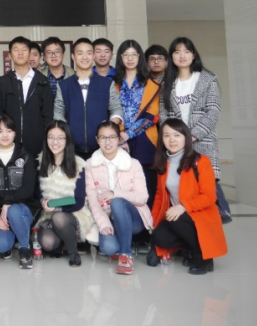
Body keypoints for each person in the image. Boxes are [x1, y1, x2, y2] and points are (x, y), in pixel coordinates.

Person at [148, 118, 228, 275]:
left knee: (175, 219)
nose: (172, 140)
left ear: (186, 137)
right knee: (159, 236)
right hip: (179, 216)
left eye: (177, 135)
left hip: (200, 214)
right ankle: (190, 248)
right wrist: (153, 221)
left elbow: (209, 196)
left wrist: (183, 206)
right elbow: (160, 196)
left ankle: (204, 257)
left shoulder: (201, 161)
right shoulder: (164, 163)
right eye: (166, 135)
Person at [85, 121, 153, 275]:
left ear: (119, 139)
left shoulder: (133, 164)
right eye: (103, 138)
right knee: (108, 248)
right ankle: (119, 242)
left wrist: (116, 193)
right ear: (97, 140)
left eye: (112, 137)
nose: (107, 142)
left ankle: (125, 254)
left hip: (133, 218)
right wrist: (103, 224)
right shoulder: (90, 165)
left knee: (117, 202)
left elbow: (143, 197)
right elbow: (92, 201)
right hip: (108, 217)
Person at [0, 114, 39, 268]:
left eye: (9, 131)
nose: (5, 135)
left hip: (22, 210)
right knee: (1, 245)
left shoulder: (26, 157)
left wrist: (8, 203)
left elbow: (27, 189)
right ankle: (15, 234)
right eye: (0, 131)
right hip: (0, 214)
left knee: (14, 211)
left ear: (15, 133)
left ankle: (24, 248)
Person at [160, 37, 222, 180]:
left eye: (186, 51)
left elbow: (213, 111)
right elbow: (164, 115)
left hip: (203, 141)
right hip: (176, 145)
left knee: (207, 186)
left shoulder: (207, 80)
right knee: (181, 186)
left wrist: (192, 136)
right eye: (177, 52)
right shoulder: (166, 84)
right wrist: (175, 138)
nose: (182, 56)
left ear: (193, 55)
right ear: (171, 57)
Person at [37, 120, 96, 267]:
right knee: (48, 243)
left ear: (67, 140)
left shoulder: (78, 164)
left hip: (73, 214)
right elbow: (36, 193)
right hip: (48, 214)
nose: (55, 142)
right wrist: (43, 201)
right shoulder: (40, 161)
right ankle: (62, 241)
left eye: (60, 138)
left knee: (59, 217)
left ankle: (73, 252)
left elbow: (79, 200)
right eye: (51, 137)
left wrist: (56, 206)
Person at [54, 38, 124, 159]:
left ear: (93, 56)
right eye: (80, 53)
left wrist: (107, 129)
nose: (85, 57)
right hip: (72, 149)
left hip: (102, 148)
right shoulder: (63, 85)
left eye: (89, 53)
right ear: (73, 56)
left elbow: (116, 109)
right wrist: (66, 131)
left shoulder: (107, 84)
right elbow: (58, 113)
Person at [113, 39, 161, 204]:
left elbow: (152, 115)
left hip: (144, 139)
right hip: (119, 139)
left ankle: (148, 219)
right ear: (120, 58)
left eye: (134, 55)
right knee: (123, 183)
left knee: (147, 185)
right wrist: (120, 134)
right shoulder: (114, 84)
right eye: (126, 55)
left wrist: (128, 134)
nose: (130, 59)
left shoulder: (152, 84)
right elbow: (111, 111)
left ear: (140, 58)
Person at [0, 36, 54, 157]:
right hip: (9, 143)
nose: (20, 53)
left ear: (30, 54)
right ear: (10, 55)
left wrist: (46, 142)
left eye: (24, 49)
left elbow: (48, 116)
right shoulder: (2, 82)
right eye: (16, 50)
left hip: (37, 144)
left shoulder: (42, 81)